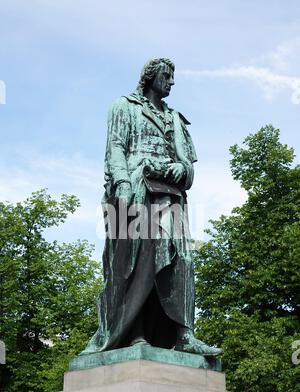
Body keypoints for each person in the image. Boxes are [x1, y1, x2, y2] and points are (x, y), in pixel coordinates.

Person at [81, 58, 222, 356]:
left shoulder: (175, 120)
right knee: (134, 261)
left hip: (170, 195)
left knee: (181, 259)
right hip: (134, 188)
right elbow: (115, 147)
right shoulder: (125, 106)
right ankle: (134, 333)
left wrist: (180, 170)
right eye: (167, 76)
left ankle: (185, 335)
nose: (171, 82)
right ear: (151, 76)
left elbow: (189, 169)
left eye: (172, 77)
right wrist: (122, 184)